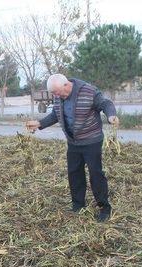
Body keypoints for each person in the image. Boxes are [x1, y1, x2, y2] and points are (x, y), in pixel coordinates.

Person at [26, 74, 119, 222]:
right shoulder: (59, 96)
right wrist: (39, 124)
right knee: (74, 173)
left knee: (96, 174)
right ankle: (78, 205)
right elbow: (56, 115)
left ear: (66, 85)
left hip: (91, 141)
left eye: (56, 92)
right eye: (53, 93)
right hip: (73, 142)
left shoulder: (88, 91)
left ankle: (104, 208)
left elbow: (105, 104)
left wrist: (111, 116)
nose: (55, 96)